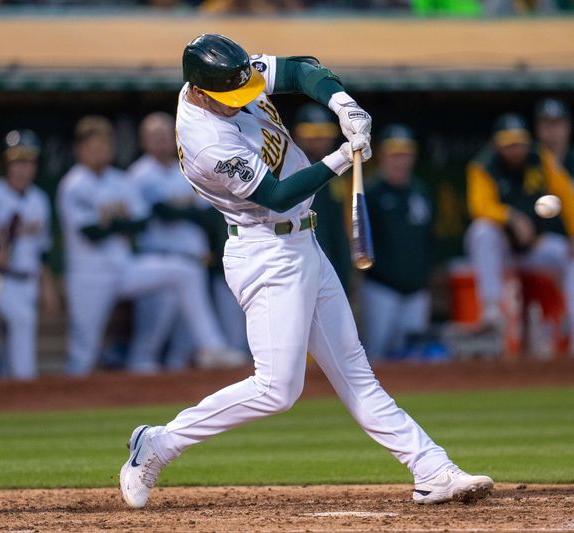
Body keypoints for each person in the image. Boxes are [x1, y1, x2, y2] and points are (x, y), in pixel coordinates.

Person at [119, 33, 493, 509]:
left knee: (356, 372)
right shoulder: (205, 141)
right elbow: (277, 196)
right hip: (265, 253)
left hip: (302, 243)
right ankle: (158, 443)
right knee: (277, 390)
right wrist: (341, 156)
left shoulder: (227, 77)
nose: (242, 101)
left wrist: (344, 105)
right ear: (197, 91)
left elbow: (298, 70)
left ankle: (432, 469)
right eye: (229, 99)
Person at [57, 115, 239, 376]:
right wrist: (120, 222)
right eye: (93, 146)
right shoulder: (73, 184)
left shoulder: (119, 179)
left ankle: (212, 346)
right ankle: (68, 401)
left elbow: (141, 221)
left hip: (122, 267)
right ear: (80, 150)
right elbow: (91, 232)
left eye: (104, 144)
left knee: (185, 272)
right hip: (90, 275)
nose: (100, 151)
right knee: (83, 350)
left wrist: (115, 222)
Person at [464, 113, 574, 358]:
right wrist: (511, 217)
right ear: (497, 144)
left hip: (534, 245)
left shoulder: (540, 158)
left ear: (527, 142)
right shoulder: (483, 165)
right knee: (481, 231)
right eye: (508, 144)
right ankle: (491, 308)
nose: (515, 150)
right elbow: (478, 206)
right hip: (502, 248)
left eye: (518, 143)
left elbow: (567, 195)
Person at [126, 112, 241, 372]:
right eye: (154, 137)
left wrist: (180, 210)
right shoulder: (138, 174)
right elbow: (159, 213)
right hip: (158, 259)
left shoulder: (189, 167)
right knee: (151, 335)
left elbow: (208, 212)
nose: (161, 142)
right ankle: (133, 387)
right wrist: (182, 211)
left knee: (184, 343)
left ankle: (174, 393)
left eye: (165, 136)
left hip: (192, 262)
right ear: (143, 141)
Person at [359, 125, 434, 359]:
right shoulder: (370, 193)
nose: (400, 161)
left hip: (417, 291)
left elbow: (430, 240)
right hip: (380, 289)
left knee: (414, 359)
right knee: (375, 356)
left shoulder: (420, 192)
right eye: (395, 154)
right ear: (383, 155)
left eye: (405, 154)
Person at [0, 130, 58, 380]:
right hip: (2, 278)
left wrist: (47, 284)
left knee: (22, 365)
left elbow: (41, 249)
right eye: (17, 162)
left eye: (28, 162)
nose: (23, 168)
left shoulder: (39, 199)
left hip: (25, 280)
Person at [291, 103, 352, 294]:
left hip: (330, 262)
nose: (319, 141)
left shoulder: (336, 173)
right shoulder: (290, 169)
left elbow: (339, 230)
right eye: (312, 136)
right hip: (296, 261)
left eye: (323, 135)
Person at [533, 98, 574, 225]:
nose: (552, 132)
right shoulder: (529, 161)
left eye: (557, 125)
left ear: (568, 127)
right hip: (541, 240)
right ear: (537, 129)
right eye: (546, 126)